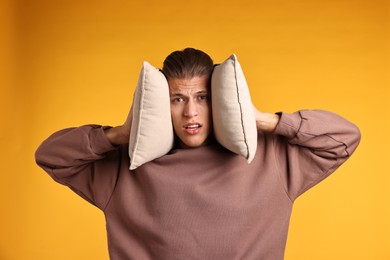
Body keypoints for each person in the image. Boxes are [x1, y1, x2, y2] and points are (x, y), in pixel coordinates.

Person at [35, 48, 361, 260]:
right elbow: (50, 155)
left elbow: (344, 138)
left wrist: (261, 118)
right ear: (163, 104)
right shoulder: (125, 167)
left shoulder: (271, 159)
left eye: (202, 97)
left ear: (219, 99)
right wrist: (119, 134)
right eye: (178, 99)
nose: (191, 113)